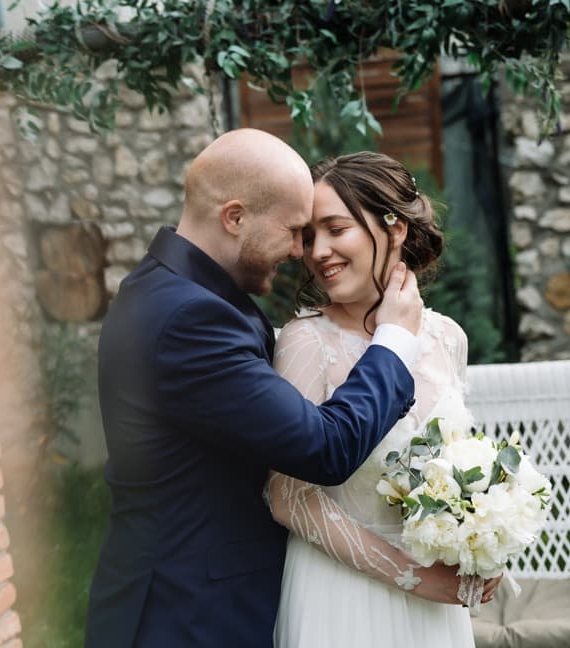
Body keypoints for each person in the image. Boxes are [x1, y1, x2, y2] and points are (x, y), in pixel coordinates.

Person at [85, 130, 423, 648]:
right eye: (293, 231)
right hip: (186, 618)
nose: (299, 251)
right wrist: (395, 337)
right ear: (235, 217)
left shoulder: (177, 294)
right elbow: (324, 447)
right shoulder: (187, 318)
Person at [269, 151, 500, 648]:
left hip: (435, 611)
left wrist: (482, 540)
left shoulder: (447, 337)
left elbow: (459, 470)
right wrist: (413, 577)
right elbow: (288, 498)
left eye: (336, 228)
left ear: (394, 229)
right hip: (340, 598)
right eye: (309, 235)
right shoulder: (305, 342)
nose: (318, 250)